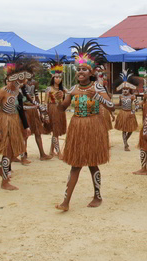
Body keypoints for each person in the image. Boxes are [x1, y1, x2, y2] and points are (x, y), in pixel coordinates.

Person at [55, 39, 115, 211]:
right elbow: (62, 109)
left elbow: (111, 106)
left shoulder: (97, 87)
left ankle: (97, 196)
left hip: (94, 126)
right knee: (75, 164)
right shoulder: (72, 89)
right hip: (77, 127)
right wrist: (59, 100)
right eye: (78, 69)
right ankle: (66, 202)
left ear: (91, 72)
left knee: (93, 163)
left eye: (84, 69)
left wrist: (97, 97)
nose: (80, 72)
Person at [0, 53, 33, 190]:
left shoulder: (18, 93)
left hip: (15, 122)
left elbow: (20, 110)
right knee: (7, 151)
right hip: (4, 121)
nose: (14, 82)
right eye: (11, 79)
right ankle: (4, 182)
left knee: (15, 150)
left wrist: (26, 126)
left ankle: (2, 172)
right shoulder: (3, 91)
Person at [21, 63, 51, 163]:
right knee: (25, 133)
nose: (31, 74)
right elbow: (23, 97)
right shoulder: (22, 84)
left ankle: (42, 154)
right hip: (25, 109)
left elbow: (36, 95)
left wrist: (40, 109)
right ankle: (24, 155)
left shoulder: (35, 83)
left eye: (32, 72)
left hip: (33, 110)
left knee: (38, 132)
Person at [45, 53, 68, 158]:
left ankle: (51, 151)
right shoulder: (49, 89)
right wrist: (45, 114)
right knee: (55, 130)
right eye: (56, 77)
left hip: (60, 110)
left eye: (59, 77)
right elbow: (45, 102)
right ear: (53, 77)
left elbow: (70, 95)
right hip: (52, 110)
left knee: (56, 130)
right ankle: (58, 152)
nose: (58, 79)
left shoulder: (62, 89)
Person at [114, 69, 140, 151]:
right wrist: (112, 105)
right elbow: (119, 105)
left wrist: (133, 111)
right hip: (123, 113)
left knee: (131, 130)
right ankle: (125, 144)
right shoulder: (121, 96)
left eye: (126, 89)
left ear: (129, 89)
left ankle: (126, 141)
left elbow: (137, 106)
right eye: (123, 89)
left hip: (130, 114)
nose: (125, 91)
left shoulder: (132, 96)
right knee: (124, 130)